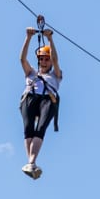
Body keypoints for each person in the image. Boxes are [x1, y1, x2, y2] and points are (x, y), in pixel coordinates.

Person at [19, 26, 62, 179]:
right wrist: (28, 37)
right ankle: (30, 162)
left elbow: (56, 60)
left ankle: (32, 161)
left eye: (46, 58)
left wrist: (50, 39)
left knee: (41, 128)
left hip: (47, 100)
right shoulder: (31, 73)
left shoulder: (56, 75)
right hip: (30, 98)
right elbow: (22, 59)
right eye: (41, 58)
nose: (43, 61)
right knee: (28, 128)